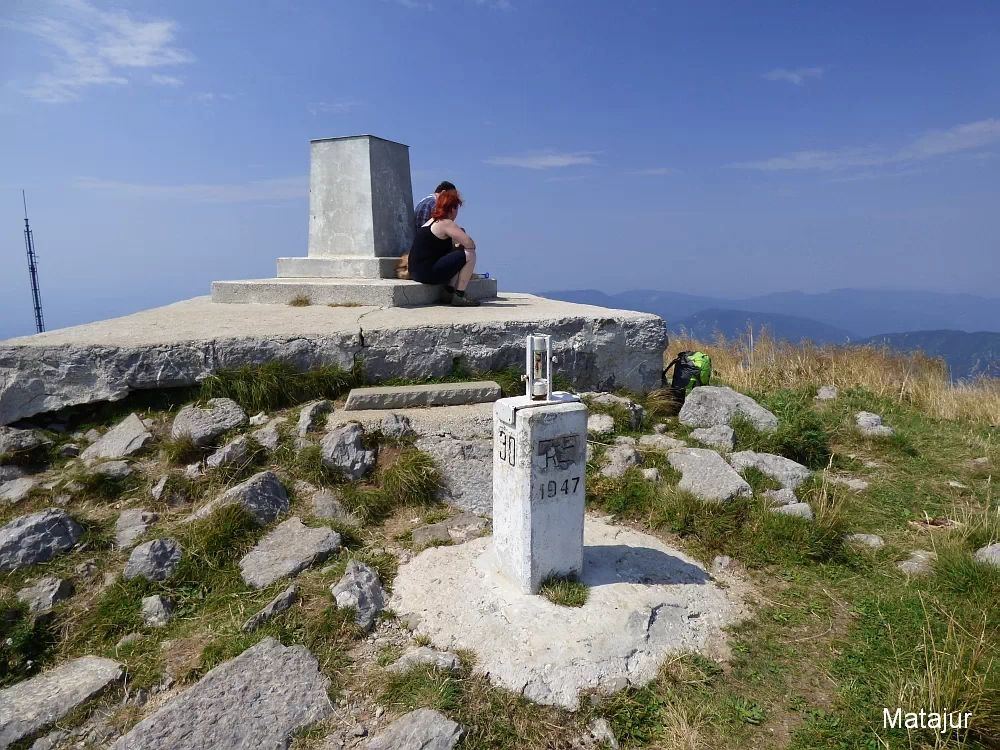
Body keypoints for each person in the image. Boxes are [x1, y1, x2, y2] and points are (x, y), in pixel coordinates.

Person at [408, 190, 480, 306]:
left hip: (416, 272)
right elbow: (470, 244)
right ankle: (459, 295)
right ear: (452, 208)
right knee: (469, 254)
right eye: (457, 208)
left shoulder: (430, 222)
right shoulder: (446, 223)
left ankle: (449, 292)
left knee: (458, 252)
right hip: (427, 274)